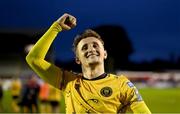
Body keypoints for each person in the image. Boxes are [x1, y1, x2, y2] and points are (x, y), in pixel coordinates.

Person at [26, 13, 151, 113]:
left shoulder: (122, 85)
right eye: (84, 48)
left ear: (105, 54)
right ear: (78, 59)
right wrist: (57, 27)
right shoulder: (68, 82)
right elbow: (33, 59)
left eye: (95, 45)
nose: (91, 49)